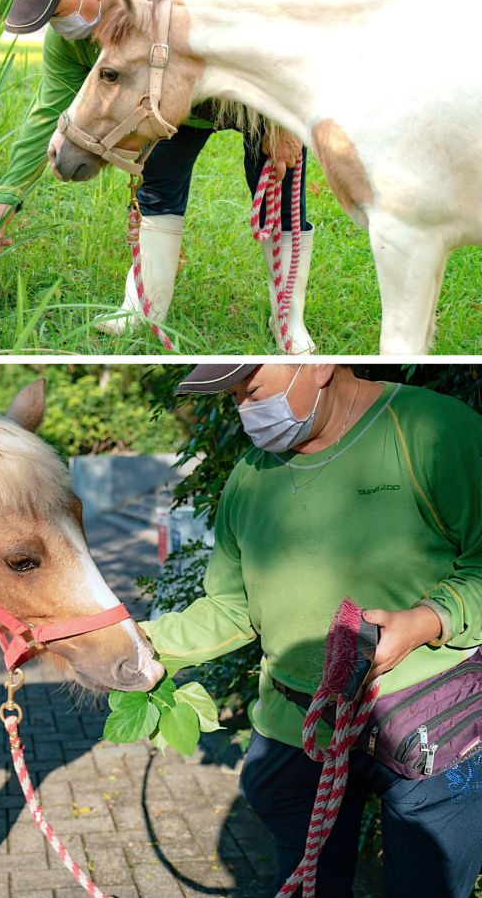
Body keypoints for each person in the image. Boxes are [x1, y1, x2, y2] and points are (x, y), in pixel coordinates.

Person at [144, 362, 482, 897]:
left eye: (251, 389)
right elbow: (232, 608)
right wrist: (139, 645)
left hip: (429, 725)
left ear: (319, 362)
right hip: (296, 728)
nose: (244, 411)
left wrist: (425, 621)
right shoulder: (249, 477)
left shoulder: (432, 430)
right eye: (232, 397)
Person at [0, 0, 315, 353]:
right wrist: (9, 192)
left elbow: (276, 33)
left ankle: (289, 324)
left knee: (277, 191)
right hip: (168, 103)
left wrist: (285, 119)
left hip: (253, 90)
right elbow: (51, 108)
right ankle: (142, 309)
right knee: (158, 187)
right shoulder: (70, 36)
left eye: (55, 11)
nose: (55, 26)